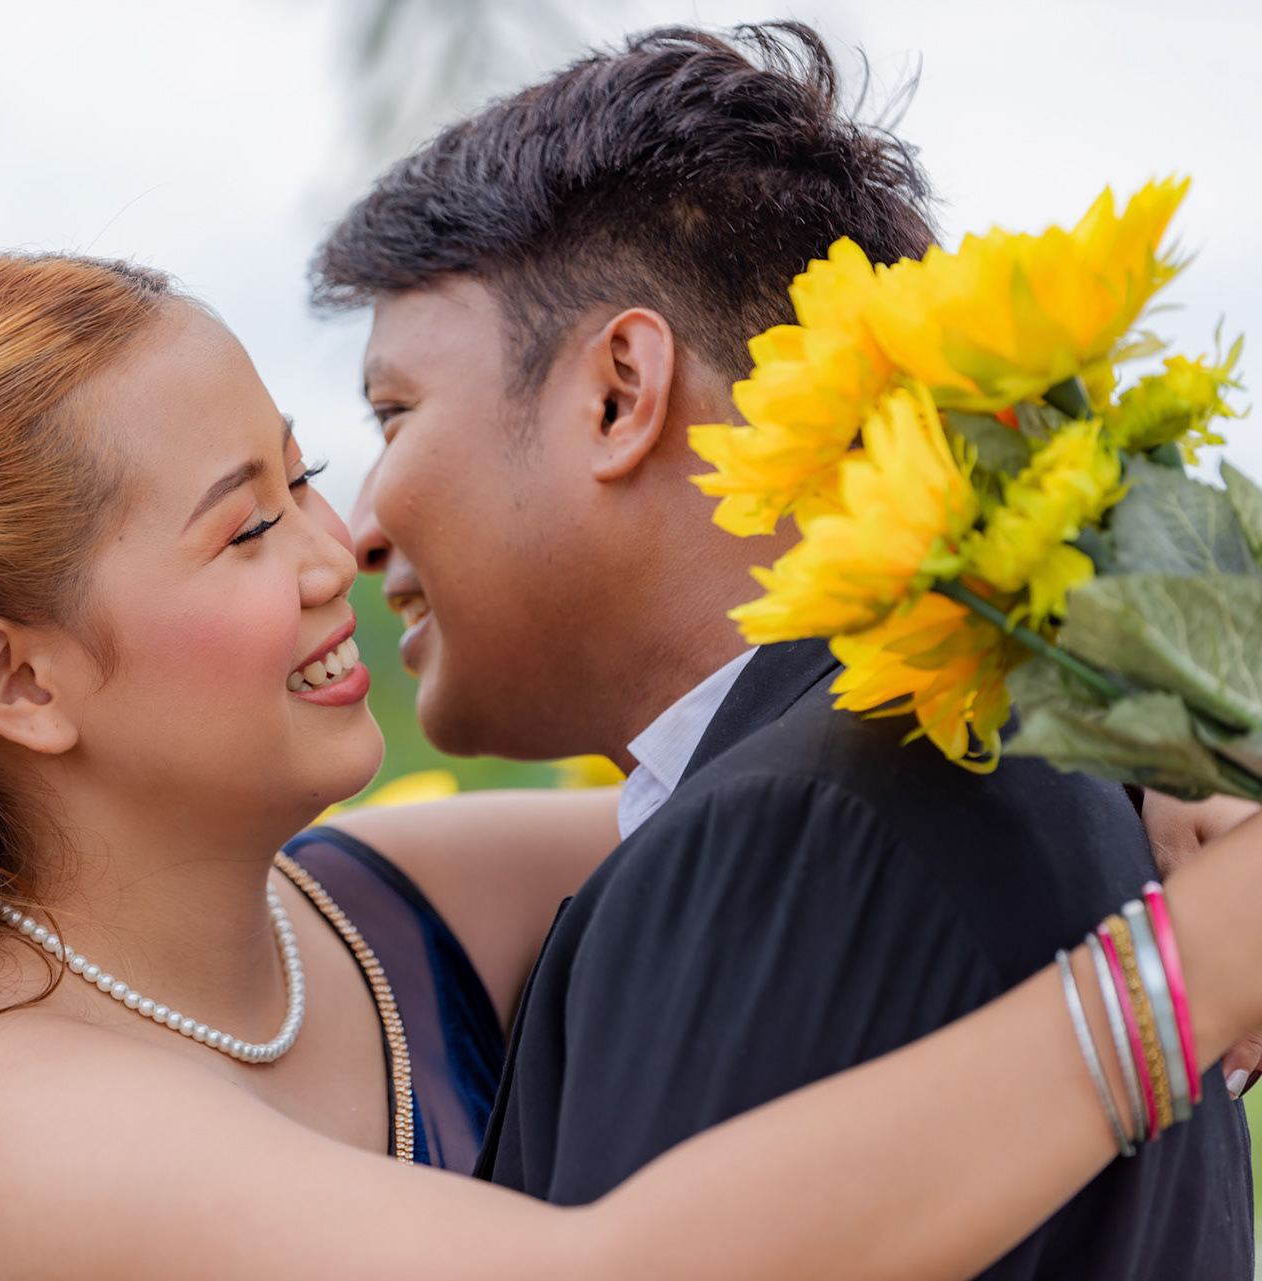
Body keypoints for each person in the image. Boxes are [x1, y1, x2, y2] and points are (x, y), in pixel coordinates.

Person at [0, 249, 1262, 1281]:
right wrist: (1193, 973)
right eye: (244, 528)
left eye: (303, 476)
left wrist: (1143, 762)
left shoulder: (386, 910)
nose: (337, 549)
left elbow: (818, 800)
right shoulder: (8, 1121)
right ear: (19, 677)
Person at [314, 21, 1254, 1277]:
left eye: (395, 414)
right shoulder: (998, 774)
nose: (359, 531)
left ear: (619, 391)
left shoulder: (794, 825)